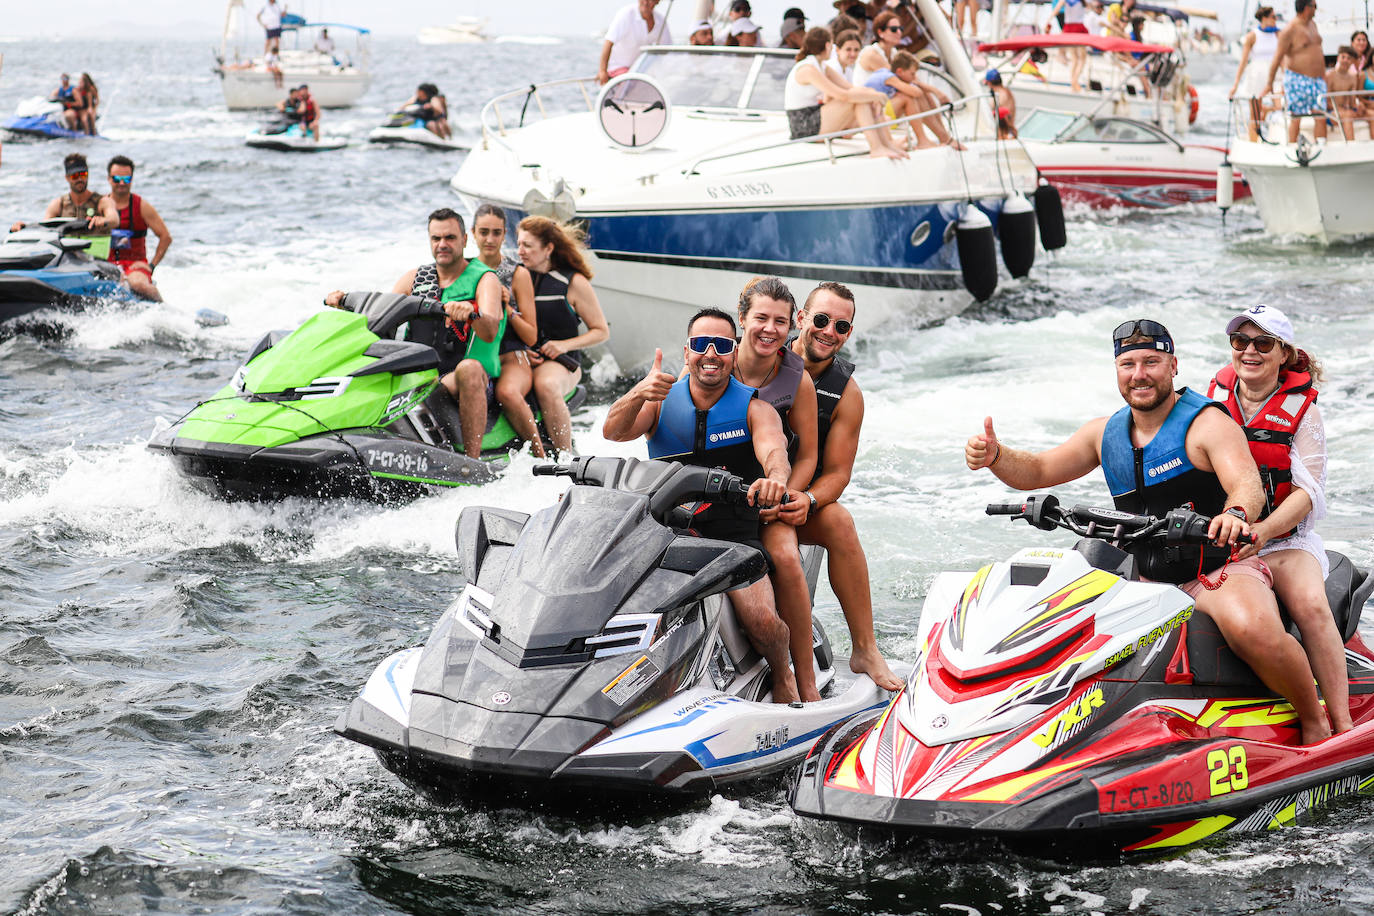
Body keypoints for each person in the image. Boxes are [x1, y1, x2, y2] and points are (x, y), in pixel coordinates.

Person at [965, 318, 1331, 745]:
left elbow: (1246, 484)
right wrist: (996, 455)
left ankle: (1314, 721)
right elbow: (1040, 470)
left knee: (1251, 628)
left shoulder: (1208, 424)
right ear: (1117, 371)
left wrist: (1233, 513)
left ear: (1173, 366)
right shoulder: (1104, 433)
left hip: (1215, 571)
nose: (1140, 374)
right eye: (1128, 364)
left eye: (1152, 362)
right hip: (1146, 578)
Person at [601, 308, 801, 704]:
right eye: (700, 344)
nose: (711, 353)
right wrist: (638, 393)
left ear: (734, 352)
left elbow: (775, 452)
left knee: (761, 622)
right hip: (664, 530)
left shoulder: (754, 409)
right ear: (686, 351)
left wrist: (774, 478)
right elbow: (613, 432)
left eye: (722, 345)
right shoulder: (659, 402)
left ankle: (783, 674)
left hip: (731, 534)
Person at [1208, 305, 1351, 736]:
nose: (1250, 351)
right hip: (1225, 536)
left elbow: (1309, 493)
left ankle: (1339, 724)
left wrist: (1265, 530)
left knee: (1308, 605)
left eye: (1263, 343)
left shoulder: (1302, 411)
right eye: (1240, 342)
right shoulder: (1212, 399)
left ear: (1284, 354)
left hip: (1283, 539)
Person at [789, 281, 902, 691]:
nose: (828, 332)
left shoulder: (847, 394)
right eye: (820, 320)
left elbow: (838, 472)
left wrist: (809, 498)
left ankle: (865, 649)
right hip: (740, 490)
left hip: (792, 500)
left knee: (838, 521)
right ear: (800, 319)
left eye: (841, 326)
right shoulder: (764, 360)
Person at [326, 209, 504, 458]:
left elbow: (490, 329)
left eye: (450, 238)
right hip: (415, 375)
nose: (442, 244)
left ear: (464, 240)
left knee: (470, 368)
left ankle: (470, 462)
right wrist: (344, 303)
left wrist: (471, 314)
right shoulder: (414, 278)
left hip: (458, 377)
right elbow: (380, 316)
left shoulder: (485, 279)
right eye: (436, 238)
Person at [732, 277, 823, 700]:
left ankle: (803, 677)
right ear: (742, 319)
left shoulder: (796, 380)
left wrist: (785, 495)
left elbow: (806, 456)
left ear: (792, 327)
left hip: (770, 496)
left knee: (785, 554)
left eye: (780, 322)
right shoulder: (711, 361)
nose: (770, 329)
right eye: (761, 318)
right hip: (715, 493)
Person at [496, 216, 608, 458]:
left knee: (545, 385)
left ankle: (564, 458)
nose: (520, 251)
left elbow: (601, 331)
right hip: (523, 355)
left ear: (548, 248)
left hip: (561, 361)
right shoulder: (515, 277)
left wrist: (562, 345)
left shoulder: (573, 283)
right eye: (519, 244)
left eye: (528, 246)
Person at [784, 26, 907, 159]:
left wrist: (872, 93)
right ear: (827, 45)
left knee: (862, 98)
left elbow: (850, 88)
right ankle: (877, 148)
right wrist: (876, 96)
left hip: (814, 117)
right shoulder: (807, 69)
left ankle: (887, 144)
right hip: (803, 125)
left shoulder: (822, 67)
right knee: (858, 100)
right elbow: (843, 95)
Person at [104, 155, 171, 302]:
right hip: (105, 264)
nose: (121, 183)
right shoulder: (100, 205)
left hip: (134, 265)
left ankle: (164, 312)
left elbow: (165, 237)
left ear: (132, 180)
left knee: (138, 284)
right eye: (116, 179)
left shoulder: (142, 206)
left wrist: (151, 265)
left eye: (126, 179)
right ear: (109, 179)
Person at [9, 153, 118, 243]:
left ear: (88, 175)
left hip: (97, 258)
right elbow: (44, 229)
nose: (80, 179)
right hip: (68, 261)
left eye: (83, 174)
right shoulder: (58, 204)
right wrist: (23, 228)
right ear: (67, 178)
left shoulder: (103, 202)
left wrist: (103, 220)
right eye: (75, 176)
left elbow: (114, 220)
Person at [1262, 0, 1328, 144]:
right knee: (1297, 116)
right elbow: (1277, 58)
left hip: (1318, 80)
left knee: (1321, 115)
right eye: (1314, 6)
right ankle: (1292, 146)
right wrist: (1269, 84)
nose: (1316, 10)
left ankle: (1321, 146)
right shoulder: (1290, 30)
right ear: (1306, 8)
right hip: (1297, 78)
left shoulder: (1313, 25)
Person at [865, 49, 957, 149]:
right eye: (912, 74)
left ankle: (944, 136)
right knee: (908, 98)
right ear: (900, 71)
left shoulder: (895, 76)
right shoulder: (889, 77)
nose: (914, 77)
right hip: (871, 116)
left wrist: (933, 91)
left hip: (882, 114)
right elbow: (916, 92)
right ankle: (923, 140)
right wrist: (918, 84)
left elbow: (920, 92)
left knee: (924, 94)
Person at [1230, 7, 1282, 139]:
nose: (1276, 20)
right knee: (1255, 114)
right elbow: (1243, 61)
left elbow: (1283, 58)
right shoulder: (1252, 36)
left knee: (1280, 106)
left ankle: (1267, 111)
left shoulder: (1278, 34)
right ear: (1264, 18)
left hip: (1274, 74)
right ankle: (1254, 140)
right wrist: (1235, 84)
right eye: (1273, 17)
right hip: (1256, 75)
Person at [599, 0, 672, 84]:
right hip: (619, 69)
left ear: (657, 1)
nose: (645, 2)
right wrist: (602, 71)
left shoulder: (660, 21)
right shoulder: (626, 14)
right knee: (636, 83)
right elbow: (608, 42)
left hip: (641, 72)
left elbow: (668, 51)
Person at [1327, 46, 1371, 139]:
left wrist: (1360, 106)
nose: (1345, 60)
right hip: (1331, 112)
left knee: (1371, 114)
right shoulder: (1330, 75)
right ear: (1338, 58)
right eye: (1343, 57)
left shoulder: (1352, 77)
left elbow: (1352, 102)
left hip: (1347, 110)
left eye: (1349, 58)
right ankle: (1350, 146)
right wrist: (1341, 110)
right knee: (1348, 116)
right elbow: (1326, 102)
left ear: (1352, 61)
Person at [1046, 0, 1089, 92]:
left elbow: (1056, 10)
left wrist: (1048, 21)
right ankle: (1074, 81)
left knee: (1075, 58)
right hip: (1078, 27)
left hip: (1070, 27)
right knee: (1081, 58)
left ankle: (1074, 82)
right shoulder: (1081, 1)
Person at [984, 68, 1017, 138]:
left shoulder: (1000, 94)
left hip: (1004, 134)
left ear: (989, 83)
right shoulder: (1006, 92)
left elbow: (993, 113)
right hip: (1007, 132)